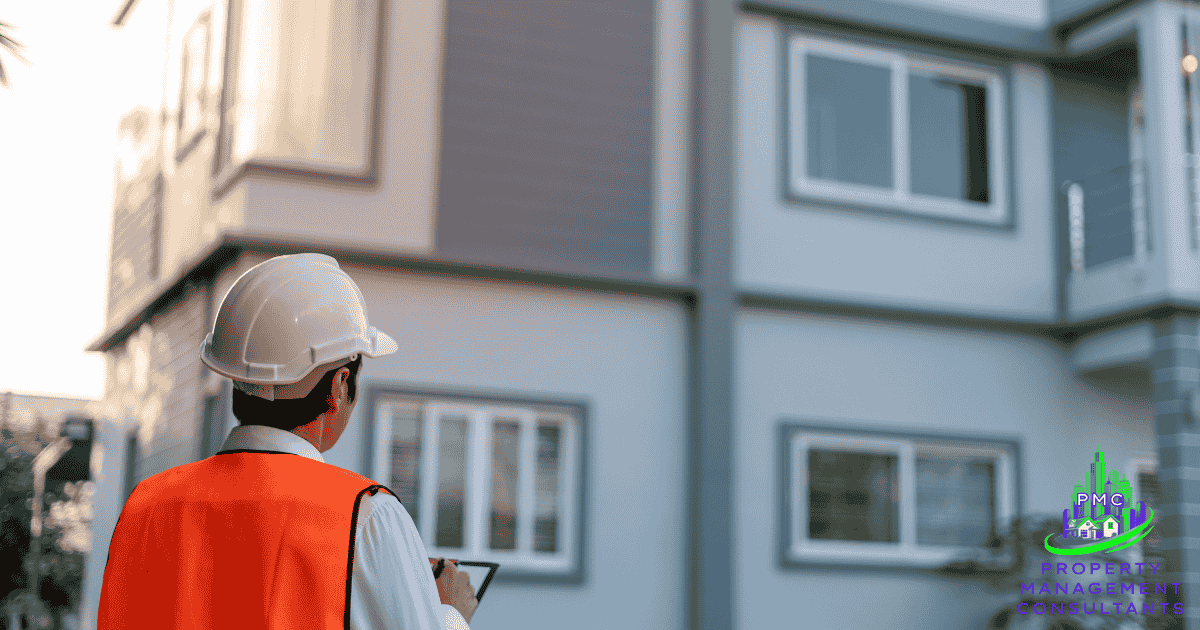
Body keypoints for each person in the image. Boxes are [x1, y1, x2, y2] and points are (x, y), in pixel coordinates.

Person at [97, 253, 478, 629]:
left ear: (235, 377)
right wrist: (450, 612)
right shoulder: (368, 516)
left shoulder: (144, 506)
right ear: (340, 386)